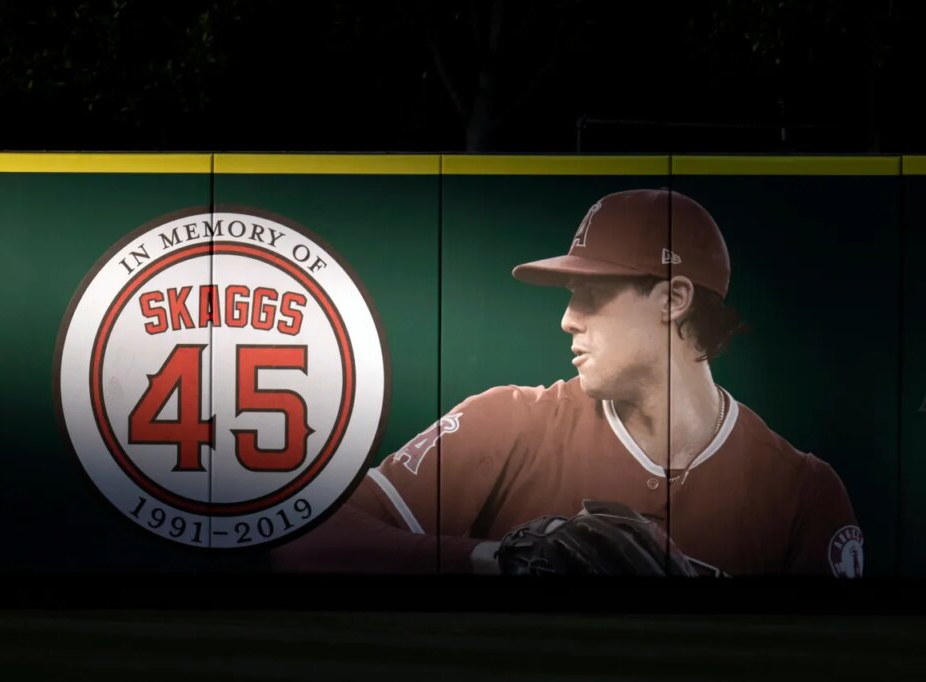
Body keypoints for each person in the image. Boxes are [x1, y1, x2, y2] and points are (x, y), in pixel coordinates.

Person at [272, 188, 862, 577]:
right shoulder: (508, 422)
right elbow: (305, 544)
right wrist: (498, 559)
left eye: (593, 293)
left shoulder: (802, 493)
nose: (567, 318)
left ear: (674, 300)